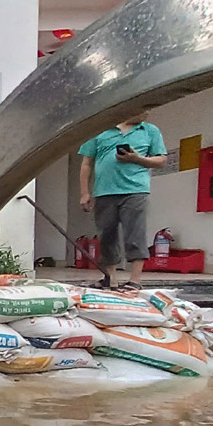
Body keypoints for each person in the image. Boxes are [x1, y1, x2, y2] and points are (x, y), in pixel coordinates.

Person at [79, 113, 167, 292]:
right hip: (104, 191)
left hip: (135, 190)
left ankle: (134, 281)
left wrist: (137, 159)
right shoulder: (99, 129)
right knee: (106, 235)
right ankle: (110, 278)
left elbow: (161, 160)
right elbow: (86, 163)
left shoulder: (150, 130)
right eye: (142, 108)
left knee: (135, 234)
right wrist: (84, 192)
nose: (146, 113)